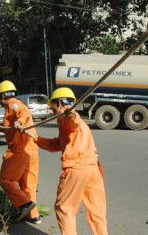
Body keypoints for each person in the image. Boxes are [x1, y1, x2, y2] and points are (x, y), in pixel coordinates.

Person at [22, 87, 108, 235]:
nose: (51, 111)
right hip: (93, 169)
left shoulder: (67, 118)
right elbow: (57, 144)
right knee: (97, 214)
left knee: (64, 208)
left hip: (77, 169)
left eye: (52, 106)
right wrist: (34, 137)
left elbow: (73, 122)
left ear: (60, 103)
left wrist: (71, 114)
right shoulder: (66, 123)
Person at [0, 80, 41, 224]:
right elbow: (9, 128)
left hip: (20, 149)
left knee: (6, 180)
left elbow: (22, 114)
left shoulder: (13, 104)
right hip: (31, 149)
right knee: (28, 185)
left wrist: (19, 122)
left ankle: (25, 205)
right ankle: (33, 216)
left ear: (2, 96)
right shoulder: (13, 106)